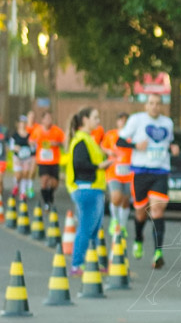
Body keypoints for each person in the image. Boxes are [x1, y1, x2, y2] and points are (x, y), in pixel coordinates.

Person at [117, 93, 179, 269]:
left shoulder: (168, 123)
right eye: (151, 103)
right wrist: (135, 146)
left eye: (158, 104)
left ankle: (158, 252)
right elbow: (119, 141)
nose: (155, 107)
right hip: (141, 171)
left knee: (158, 210)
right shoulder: (137, 120)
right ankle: (138, 238)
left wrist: (173, 148)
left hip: (160, 171)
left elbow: (169, 143)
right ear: (146, 106)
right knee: (140, 212)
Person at [65, 108, 114, 276]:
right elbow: (80, 164)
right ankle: (77, 264)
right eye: (95, 117)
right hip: (86, 189)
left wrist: (105, 154)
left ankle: (93, 263)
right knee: (86, 228)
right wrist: (100, 166)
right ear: (85, 120)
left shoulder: (89, 140)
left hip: (95, 189)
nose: (98, 121)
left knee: (93, 230)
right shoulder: (81, 140)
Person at [100, 112, 134, 238]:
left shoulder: (133, 136)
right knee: (116, 196)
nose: (123, 122)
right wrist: (109, 151)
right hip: (114, 171)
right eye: (121, 120)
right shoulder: (111, 135)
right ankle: (114, 220)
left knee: (125, 201)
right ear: (117, 122)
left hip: (129, 172)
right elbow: (103, 147)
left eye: (126, 120)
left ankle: (123, 225)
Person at [29, 110, 65, 209]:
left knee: (55, 183)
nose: (49, 120)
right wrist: (34, 142)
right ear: (43, 120)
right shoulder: (37, 130)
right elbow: (31, 141)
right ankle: (46, 202)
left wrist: (56, 143)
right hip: (42, 160)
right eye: (47, 118)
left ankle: (50, 194)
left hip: (54, 160)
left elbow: (64, 142)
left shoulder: (57, 131)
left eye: (50, 118)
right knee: (44, 180)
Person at [10, 115, 35, 201]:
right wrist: (15, 147)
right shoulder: (15, 135)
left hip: (26, 158)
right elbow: (11, 146)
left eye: (24, 123)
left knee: (25, 174)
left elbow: (33, 147)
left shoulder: (29, 135)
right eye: (21, 123)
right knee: (18, 175)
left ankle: (23, 192)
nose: (23, 124)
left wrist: (32, 146)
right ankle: (16, 186)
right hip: (17, 157)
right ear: (18, 124)